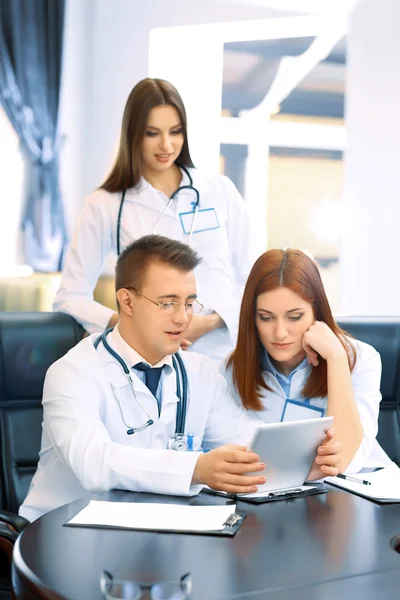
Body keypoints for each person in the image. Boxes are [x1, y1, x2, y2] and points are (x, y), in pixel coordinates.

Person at [20, 236, 342, 521]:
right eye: (168, 303)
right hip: (61, 537)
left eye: (189, 303)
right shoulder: (72, 372)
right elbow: (94, 464)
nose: (183, 318)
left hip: (153, 541)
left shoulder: (201, 374)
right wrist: (197, 468)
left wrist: (302, 464)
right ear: (126, 301)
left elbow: (247, 450)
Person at [53, 77, 259, 361]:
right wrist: (130, 325)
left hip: (224, 356)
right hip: (149, 360)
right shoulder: (104, 204)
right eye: (152, 133)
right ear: (133, 134)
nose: (166, 145)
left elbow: (255, 277)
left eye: (175, 131)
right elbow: (70, 298)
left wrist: (212, 322)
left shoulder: (218, 190)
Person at [222, 248, 391, 474]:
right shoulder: (232, 369)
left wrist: (336, 358)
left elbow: (344, 461)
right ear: (251, 318)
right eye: (266, 317)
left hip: (355, 491)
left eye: (294, 317)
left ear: (317, 312)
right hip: (273, 494)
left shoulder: (361, 359)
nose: (280, 333)